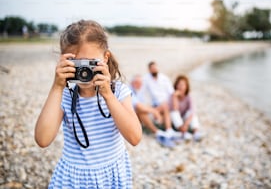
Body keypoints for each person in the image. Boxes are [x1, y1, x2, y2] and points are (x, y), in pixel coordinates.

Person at [34, 20, 142, 188]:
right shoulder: (64, 94)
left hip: (111, 175)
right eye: (77, 64)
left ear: (105, 58)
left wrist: (107, 94)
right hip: (74, 179)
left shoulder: (118, 91)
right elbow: (42, 139)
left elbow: (135, 137)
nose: (84, 71)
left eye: (90, 63)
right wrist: (57, 86)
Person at [130, 74, 175, 148]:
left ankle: (169, 130)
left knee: (164, 106)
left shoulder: (139, 91)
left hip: (141, 113)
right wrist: (154, 111)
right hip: (133, 117)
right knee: (141, 111)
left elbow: (145, 105)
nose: (140, 85)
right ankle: (157, 132)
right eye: (138, 83)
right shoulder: (129, 90)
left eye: (141, 83)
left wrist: (154, 110)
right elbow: (138, 106)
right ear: (133, 83)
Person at [141, 61, 180, 140]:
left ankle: (168, 130)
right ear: (149, 70)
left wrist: (175, 102)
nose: (154, 70)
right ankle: (169, 130)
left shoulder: (164, 78)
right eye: (152, 68)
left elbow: (171, 92)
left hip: (166, 102)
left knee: (165, 105)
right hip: (155, 104)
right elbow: (142, 92)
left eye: (155, 68)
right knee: (164, 106)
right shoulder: (146, 79)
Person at [169, 75, 202, 141]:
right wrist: (175, 96)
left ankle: (196, 132)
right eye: (179, 84)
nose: (181, 87)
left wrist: (186, 125)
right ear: (176, 85)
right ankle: (183, 132)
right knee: (174, 113)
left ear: (186, 87)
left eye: (183, 85)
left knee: (192, 114)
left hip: (184, 118)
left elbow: (192, 111)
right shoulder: (172, 95)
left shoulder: (188, 96)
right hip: (174, 120)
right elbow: (175, 108)